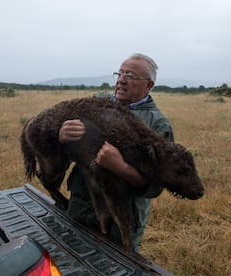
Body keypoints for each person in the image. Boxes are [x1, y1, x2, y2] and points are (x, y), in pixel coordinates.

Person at [58, 53, 174, 251]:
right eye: (119, 73)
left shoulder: (157, 124)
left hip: (120, 222)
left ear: (149, 85)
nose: (121, 80)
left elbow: (155, 186)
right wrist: (62, 136)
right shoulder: (96, 104)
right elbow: (71, 152)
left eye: (130, 76)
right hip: (80, 207)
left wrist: (119, 167)